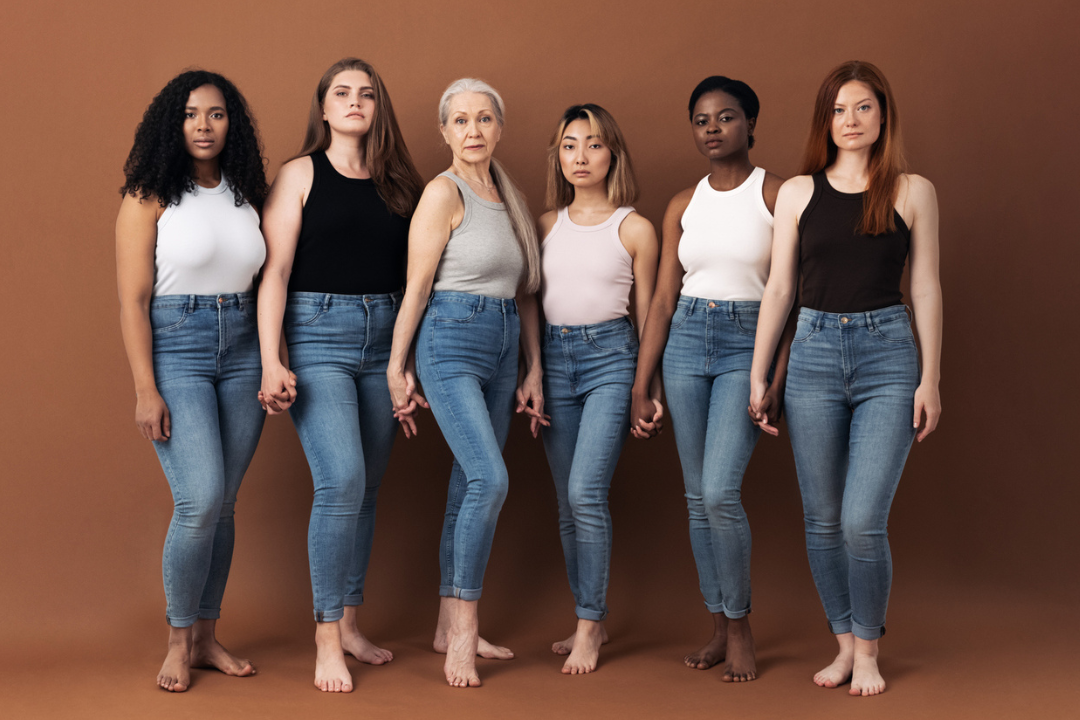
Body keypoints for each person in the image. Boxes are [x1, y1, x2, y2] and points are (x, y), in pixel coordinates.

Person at [748, 61, 942, 697]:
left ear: (883, 115)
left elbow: (925, 286)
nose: (850, 120)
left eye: (862, 107)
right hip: (813, 355)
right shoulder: (799, 193)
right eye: (838, 110)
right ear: (824, 121)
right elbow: (780, 288)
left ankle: (869, 649)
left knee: (862, 519)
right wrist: (758, 373)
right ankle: (844, 645)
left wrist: (931, 378)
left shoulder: (912, 190)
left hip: (889, 355)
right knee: (823, 518)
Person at [256, 58, 424, 694]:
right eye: (342, 93)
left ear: (379, 108)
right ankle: (326, 637)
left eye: (367, 94)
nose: (355, 102)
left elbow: (418, 281)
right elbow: (274, 272)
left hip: (385, 341)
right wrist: (272, 358)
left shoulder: (400, 184)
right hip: (317, 335)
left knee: (368, 487)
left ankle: (351, 623)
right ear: (323, 108)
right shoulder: (299, 174)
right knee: (342, 480)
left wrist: (407, 363)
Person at [629, 76, 790, 682]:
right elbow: (663, 300)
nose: (713, 128)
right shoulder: (682, 203)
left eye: (726, 117)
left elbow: (795, 295)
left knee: (721, 491)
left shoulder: (777, 194)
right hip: (687, 340)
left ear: (750, 123)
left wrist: (775, 375)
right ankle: (718, 624)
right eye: (701, 120)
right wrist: (641, 385)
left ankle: (741, 622)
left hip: (749, 341)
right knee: (697, 497)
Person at [387, 78, 543, 688]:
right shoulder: (441, 193)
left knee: (465, 485)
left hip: (503, 344)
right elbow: (417, 286)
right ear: (445, 132)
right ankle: (464, 631)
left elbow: (525, 292)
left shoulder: (511, 197)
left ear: (499, 128)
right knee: (489, 478)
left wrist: (533, 366)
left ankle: (445, 622)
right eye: (460, 120)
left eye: (483, 119)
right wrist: (397, 368)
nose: (473, 130)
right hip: (450, 339)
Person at [116, 70, 269, 692]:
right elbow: (132, 301)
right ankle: (178, 642)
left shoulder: (246, 193)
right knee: (199, 498)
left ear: (233, 124)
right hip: (177, 348)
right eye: (189, 114)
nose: (203, 125)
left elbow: (269, 282)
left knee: (224, 503)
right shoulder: (148, 196)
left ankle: (207, 638)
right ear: (170, 123)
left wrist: (274, 357)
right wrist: (144, 389)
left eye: (216, 114)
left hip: (245, 349)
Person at [536, 104, 658, 675]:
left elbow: (649, 314)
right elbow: (528, 303)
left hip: (612, 359)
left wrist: (646, 388)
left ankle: (590, 621)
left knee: (587, 491)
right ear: (558, 156)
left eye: (593, 144)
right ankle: (590, 615)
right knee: (568, 502)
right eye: (569, 145)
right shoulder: (544, 224)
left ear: (613, 153)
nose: (580, 156)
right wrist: (531, 372)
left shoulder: (634, 228)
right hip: (553, 362)